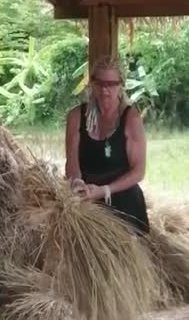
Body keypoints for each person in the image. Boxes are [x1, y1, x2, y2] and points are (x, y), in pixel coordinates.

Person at [64, 56, 150, 234]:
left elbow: (138, 172)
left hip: (124, 204)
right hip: (87, 203)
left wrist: (105, 190)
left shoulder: (131, 119)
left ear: (121, 85)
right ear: (92, 84)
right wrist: (78, 184)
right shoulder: (76, 117)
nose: (105, 90)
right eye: (100, 83)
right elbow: (72, 163)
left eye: (111, 84)